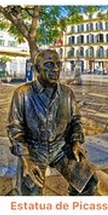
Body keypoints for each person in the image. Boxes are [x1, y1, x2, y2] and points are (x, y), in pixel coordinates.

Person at [7, 49, 98, 196]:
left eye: (58, 64)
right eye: (49, 65)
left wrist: (75, 142)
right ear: (37, 69)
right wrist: (25, 157)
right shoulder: (22, 93)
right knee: (29, 193)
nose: (55, 69)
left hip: (61, 148)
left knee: (89, 182)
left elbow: (76, 121)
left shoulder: (67, 93)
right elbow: (14, 128)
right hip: (33, 149)